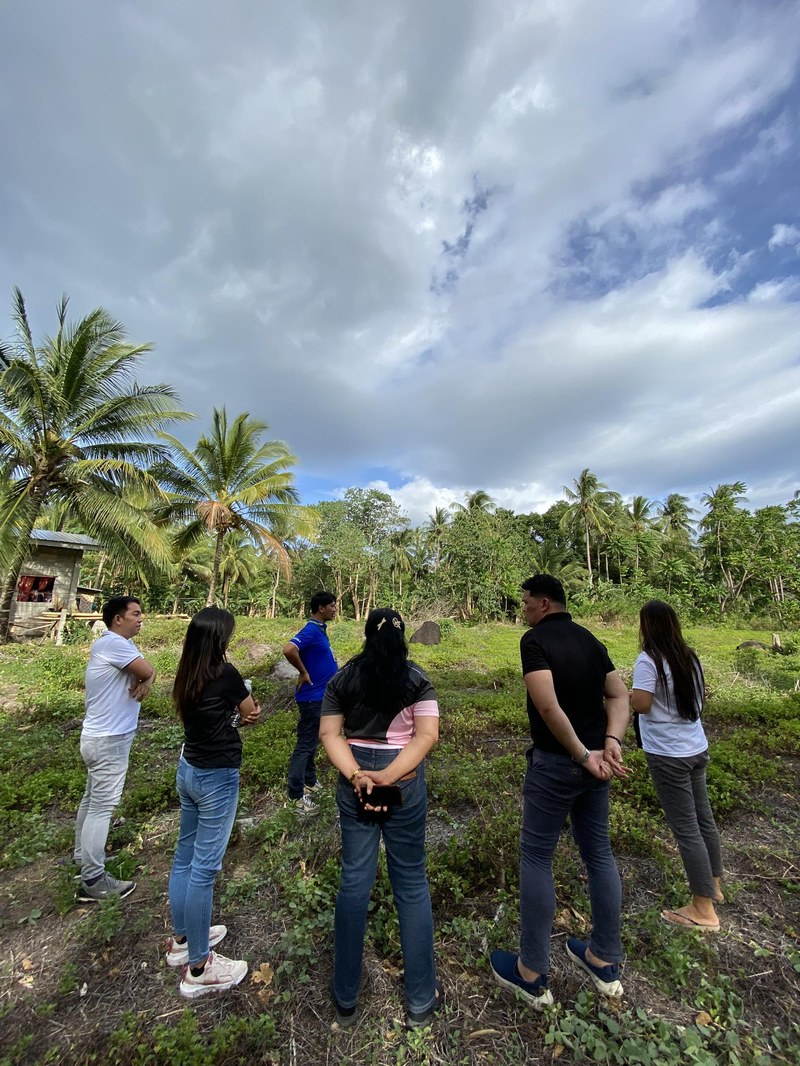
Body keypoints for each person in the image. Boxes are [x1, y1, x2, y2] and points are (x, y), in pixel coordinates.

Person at [490, 575, 630, 1008]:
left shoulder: (535, 641)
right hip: (595, 765)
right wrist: (612, 742)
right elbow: (619, 694)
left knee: (536, 856)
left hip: (558, 764)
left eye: (526, 602)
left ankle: (531, 972)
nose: (523, 610)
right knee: (599, 853)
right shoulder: (590, 640)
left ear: (545, 603)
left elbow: (547, 706)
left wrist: (580, 754)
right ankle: (604, 958)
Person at [319, 608, 441, 1029]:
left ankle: (346, 1000)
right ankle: (421, 1002)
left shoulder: (343, 678)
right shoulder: (417, 678)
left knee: (355, 880)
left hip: (355, 779)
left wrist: (357, 776)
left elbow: (329, 734)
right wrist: (390, 776)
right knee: (410, 882)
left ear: (367, 636)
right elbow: (427, 735)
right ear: (404, 638)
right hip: (402, 779)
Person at [166, 607, 261, 998]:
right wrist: (246, 714)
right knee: (204, 870)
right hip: (216, 777)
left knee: (184, 857)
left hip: (188, 769)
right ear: (219, 639)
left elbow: (213, 717)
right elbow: (250, 710)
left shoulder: (187, 672)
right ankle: (201, 967)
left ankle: (183, 940)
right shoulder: (226, 674)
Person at [631, 599, 723, 930]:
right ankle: (713, 885)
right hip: (695, 746)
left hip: (668, 754)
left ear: (647, 626)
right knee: (704, 819)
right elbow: (700, 699)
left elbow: (641, 704)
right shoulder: (689, 657)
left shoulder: (649, 660)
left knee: (686, 828)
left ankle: (702, 909)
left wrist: (620, 694)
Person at [74, 596, 156, 902]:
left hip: (99, 737)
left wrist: (148, 678)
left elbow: (149, 670)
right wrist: (148, 677)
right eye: (135, 613)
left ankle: (82, 858)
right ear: (117, 618)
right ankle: (93, 879)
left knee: (91, 798)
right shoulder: (113, 644)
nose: (140, 618)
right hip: (109, 738)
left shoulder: (119, 646)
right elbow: (147, 669)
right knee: (101, 807)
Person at [282, 591, 338, 816]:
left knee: (311, 741)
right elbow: (289, 649)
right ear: (321, 608)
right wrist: (303, 672)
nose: (335, 609)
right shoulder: (311, 630)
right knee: (305, 744)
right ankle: (296, 797)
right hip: (313, 698)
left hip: (320, 697)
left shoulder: (320, 631)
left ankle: (310, 781)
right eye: (332, 606)